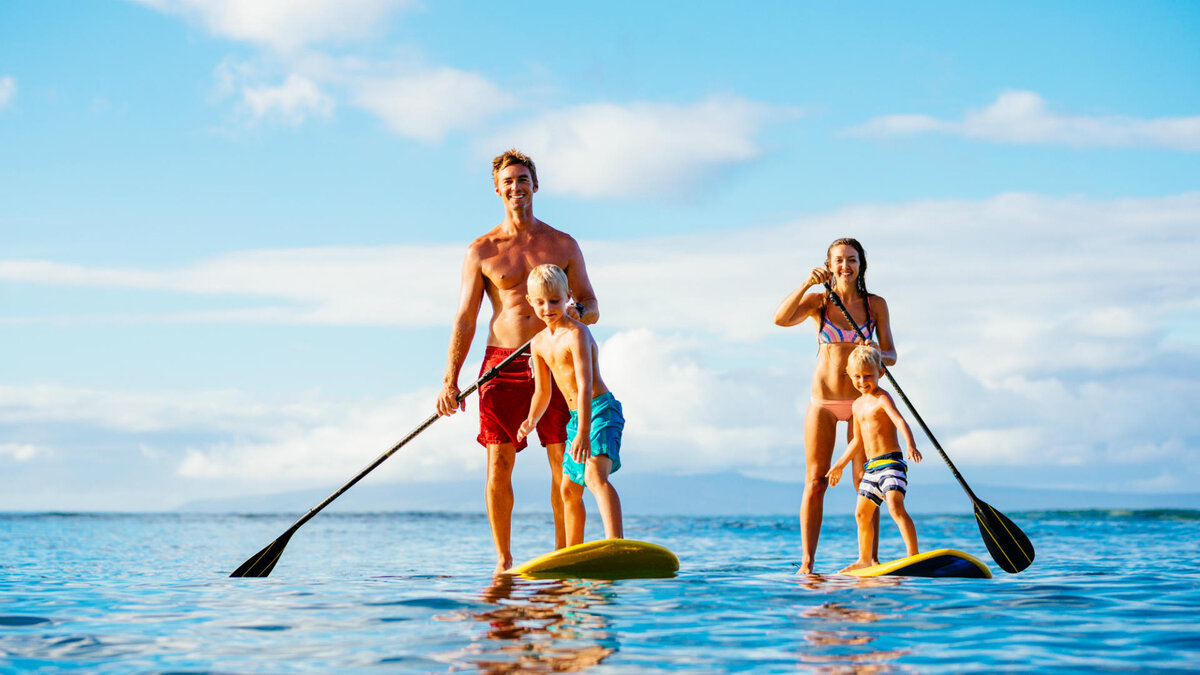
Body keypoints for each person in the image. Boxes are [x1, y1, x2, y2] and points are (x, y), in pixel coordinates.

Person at [436, 150, 599, 574]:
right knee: (499, 462)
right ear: (497, 189)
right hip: (500, 365)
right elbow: (466, 317)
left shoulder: (563, 244)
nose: (516, 187)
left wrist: (573, 316)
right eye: (508, 181)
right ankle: (504, 561)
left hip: (554, 358)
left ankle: (566, 554)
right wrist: (450, 380)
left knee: (563, 459)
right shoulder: (482, 250)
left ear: (535, 185)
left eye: (523, 179)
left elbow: (591, 304)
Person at [773, 237, 897, 574]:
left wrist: (875, 352)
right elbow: (780, 320)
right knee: (815, 481)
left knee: (866, 481)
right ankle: (807, 564)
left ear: (861, 265)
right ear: (829, 266)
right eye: (839, 260)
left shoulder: (876, 306)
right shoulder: (820, 302)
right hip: (824, 403)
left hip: (863, 404)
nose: (846, 266)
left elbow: (892, 356)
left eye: (852, 260)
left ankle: (869, 559)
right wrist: (805, 284)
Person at [518, 264, 624, 547]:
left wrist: (583, 432)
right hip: (577, 419)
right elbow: (542, 391)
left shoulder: (577, 334)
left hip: (599, 411)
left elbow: (585, 384)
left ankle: (615, 543)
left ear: (568, 296)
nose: (548, 308)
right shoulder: (538, 343)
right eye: (540, 302)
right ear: (530, 301)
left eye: (555, 300)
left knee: (593, 476)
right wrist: (531, 420)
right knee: (567, 489)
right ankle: (573, 552)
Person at [826, 345, 922, 572]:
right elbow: (856, 441)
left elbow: (900, 421)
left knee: (895, 506)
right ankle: (865, 559)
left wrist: (910, 444)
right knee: (861, 513)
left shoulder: (882, 398)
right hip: (871, 469)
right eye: (857, 376)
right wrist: (839, 464)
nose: (862, 381)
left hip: (891, 463)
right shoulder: (857, 405)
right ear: (849, 375)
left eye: (868, 375)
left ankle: (913, 555)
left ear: (881, 372)